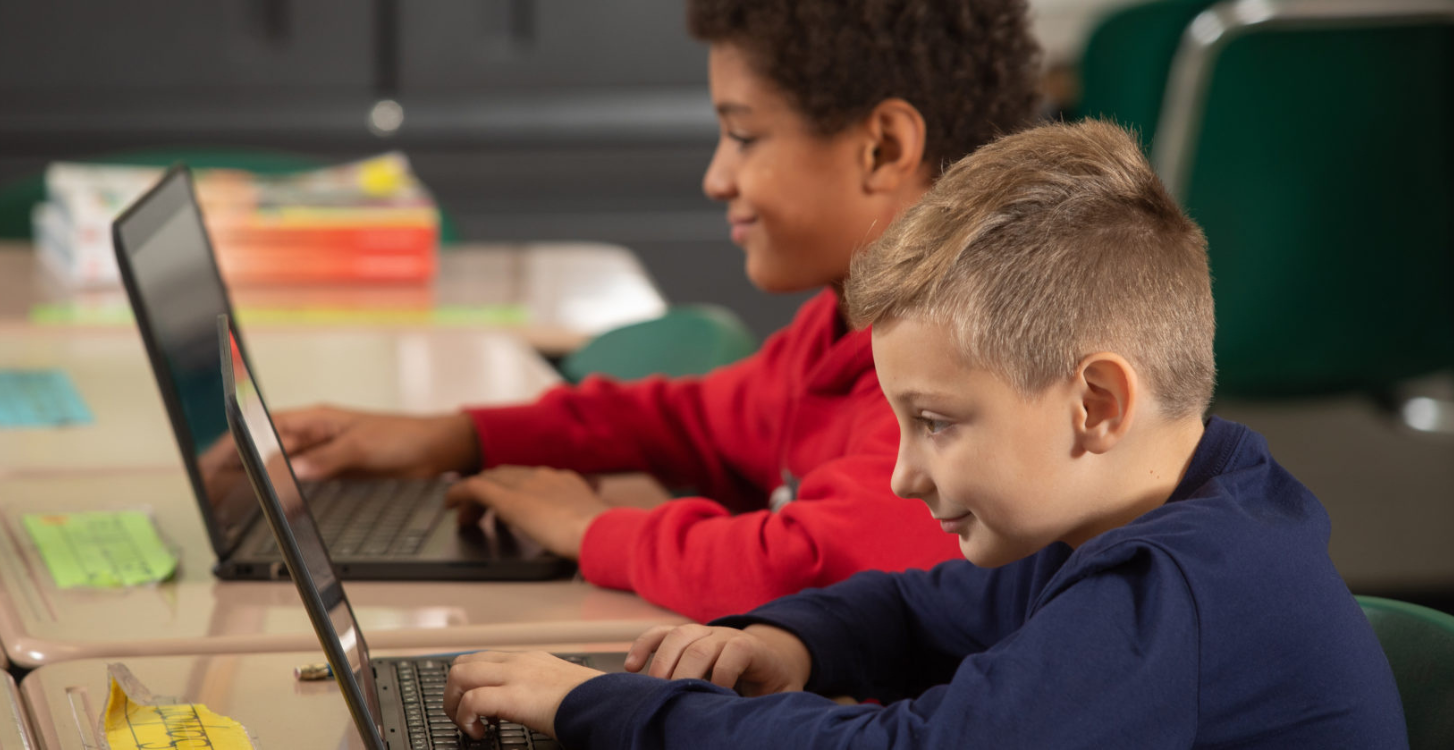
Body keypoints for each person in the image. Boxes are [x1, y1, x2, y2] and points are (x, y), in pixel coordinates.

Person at [436, 120, 1409, 748]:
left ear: (1097, 407)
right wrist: (790, 642)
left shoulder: (1177, 590)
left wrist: (589, 705)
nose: (902, 475)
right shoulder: (1167, 496)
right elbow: (921, 607)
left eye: (937, 423)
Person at [273, 0, 1040, 621]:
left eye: (744, 136)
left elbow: (807, 567)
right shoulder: (842, 325)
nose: (716, 177)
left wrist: (591, 531)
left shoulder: (960, 366)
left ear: (882, 147)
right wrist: (457, 435)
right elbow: (692, 419)